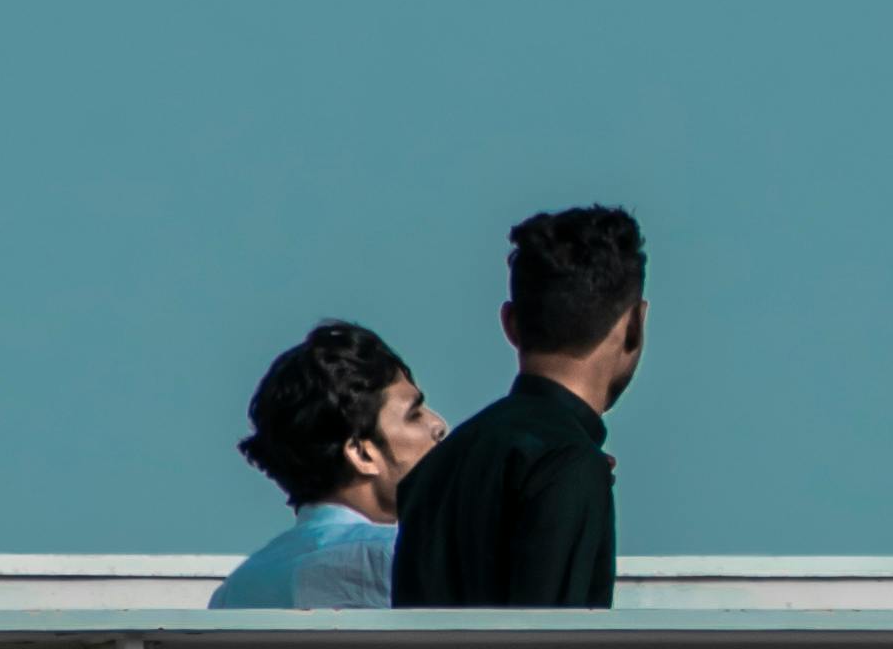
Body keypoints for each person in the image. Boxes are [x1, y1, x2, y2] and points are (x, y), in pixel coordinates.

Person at [385, 203, 646, 610]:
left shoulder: (435, 468)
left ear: (510, 323)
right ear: (634, 325)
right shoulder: (568, 463)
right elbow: (551, 642)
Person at [208, 321, 446, 610]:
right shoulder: (402, 556)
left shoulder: (235, 590)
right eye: (414, 414)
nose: (438, 424)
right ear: (361, 453)